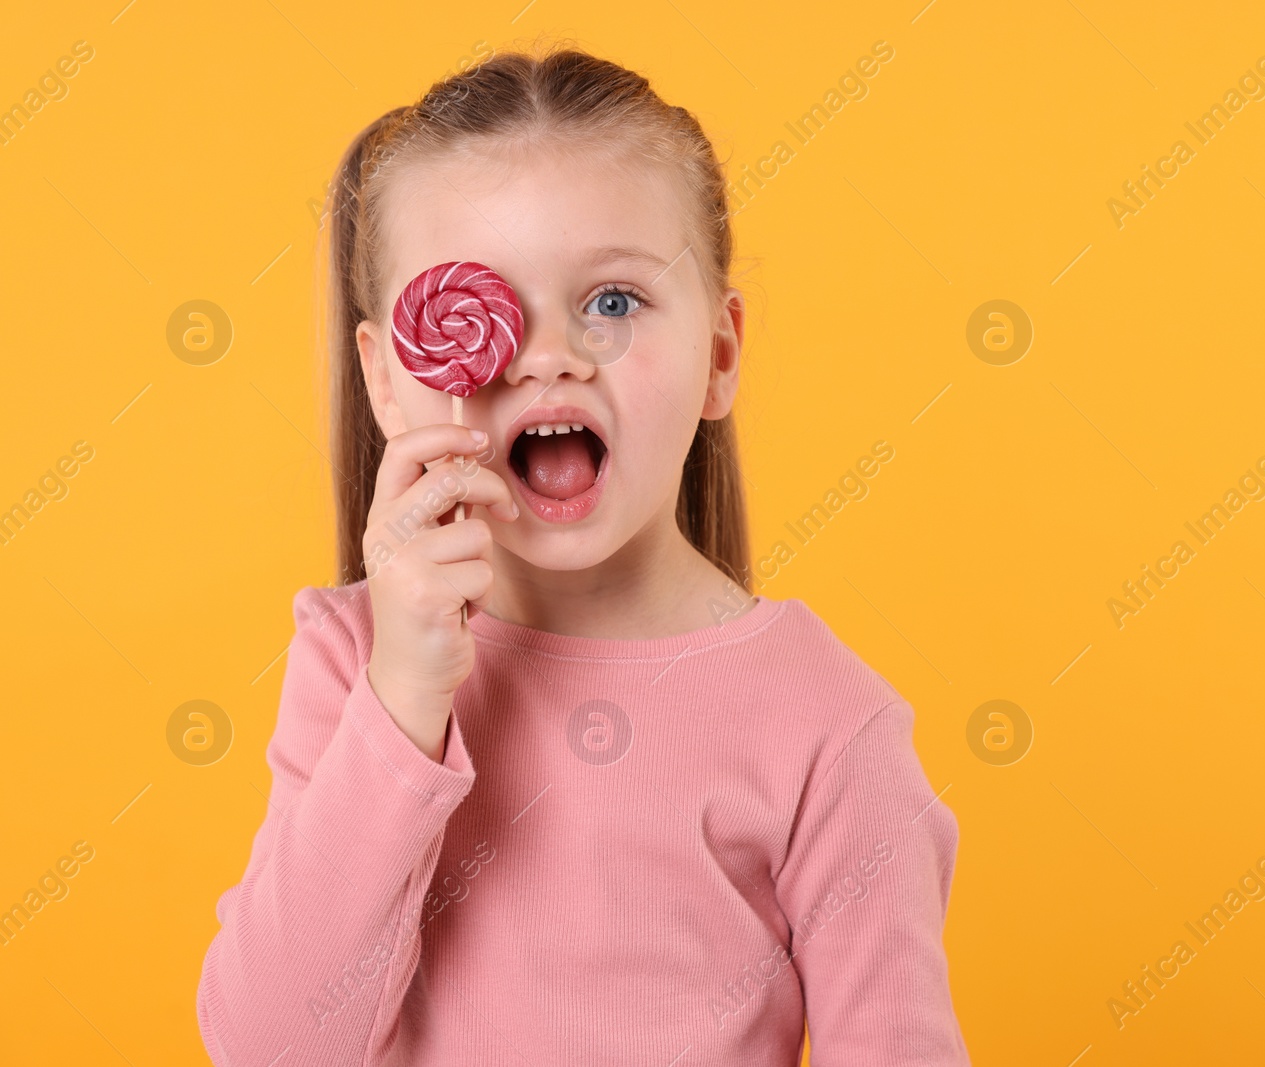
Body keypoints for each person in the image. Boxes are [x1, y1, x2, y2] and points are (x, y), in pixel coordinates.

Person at [196, 39, 968, 1066]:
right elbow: (268, 1047)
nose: (544, 353)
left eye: (611, 301)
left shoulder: (826, 723)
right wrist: (404, 695)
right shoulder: (354, 662)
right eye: (482, 307)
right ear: (388, 382)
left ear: (719, 356)